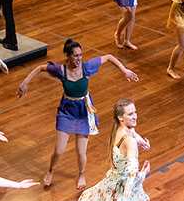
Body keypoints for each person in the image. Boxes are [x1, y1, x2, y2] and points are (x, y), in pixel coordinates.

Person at [17, 39, 139, 188]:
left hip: (83, 112)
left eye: (80, 55)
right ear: (67, 55)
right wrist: (25, 82)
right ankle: (50, 171)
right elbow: (40, 68)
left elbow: (108, 57)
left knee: (81, 152)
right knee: (59, 150)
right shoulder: (61, 70)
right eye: (75, 56)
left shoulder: (87, 67)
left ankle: (81, 174)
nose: (79, 59)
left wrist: (123, 69)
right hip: (66, 112)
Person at [78, 99, 151, 201]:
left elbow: (134, 136)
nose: (135, 116)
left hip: (114, 181)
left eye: (135, 112)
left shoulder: (122, 131)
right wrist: (144, 174)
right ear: (121, 118)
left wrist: (143, 143)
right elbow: (132, 171)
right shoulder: (129, 140)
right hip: (121, 187)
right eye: (130, 114)